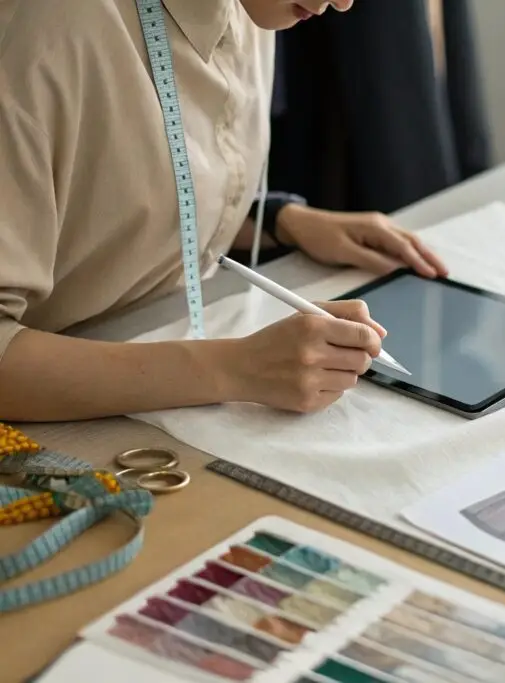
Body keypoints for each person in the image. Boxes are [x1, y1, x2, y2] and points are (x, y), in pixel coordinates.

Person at [0, 0, 449, 423]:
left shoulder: (254, 8)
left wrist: (277, 220)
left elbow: (103, 183)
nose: (344, 4)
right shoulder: (41, 34)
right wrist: (235, 369)